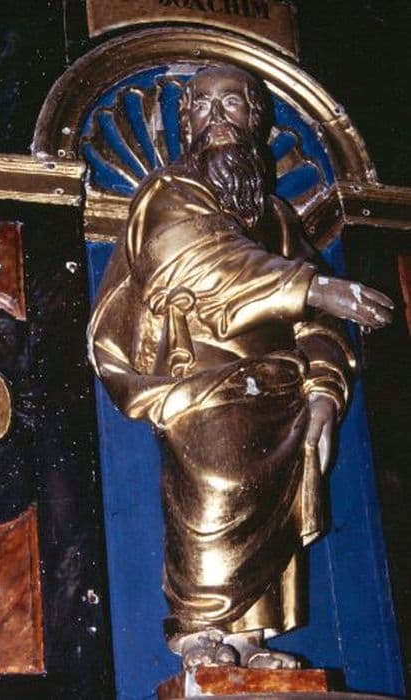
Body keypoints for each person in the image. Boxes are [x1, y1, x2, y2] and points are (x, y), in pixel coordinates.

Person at [87, 66, 393, 669]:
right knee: (217, 494)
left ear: (257, 119)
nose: (217, 116)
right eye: (202, 105)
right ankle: (199, 631)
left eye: (232, 103)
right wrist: (314, 287)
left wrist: (324, 388)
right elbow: (197, 265)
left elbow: (317, 324)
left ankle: (250, 641)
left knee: (275, 516)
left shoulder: (276, 216)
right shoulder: (167, 191)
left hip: (283, 388)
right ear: (187, 123)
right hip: (206, 383)